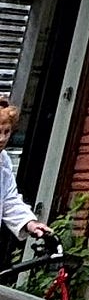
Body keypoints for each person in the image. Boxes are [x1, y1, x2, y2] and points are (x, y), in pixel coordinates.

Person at [0, 104, 53, 243]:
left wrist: (30, 223)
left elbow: (9, 200)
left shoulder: (3, 160)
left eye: (6, 132)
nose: (2, 139)